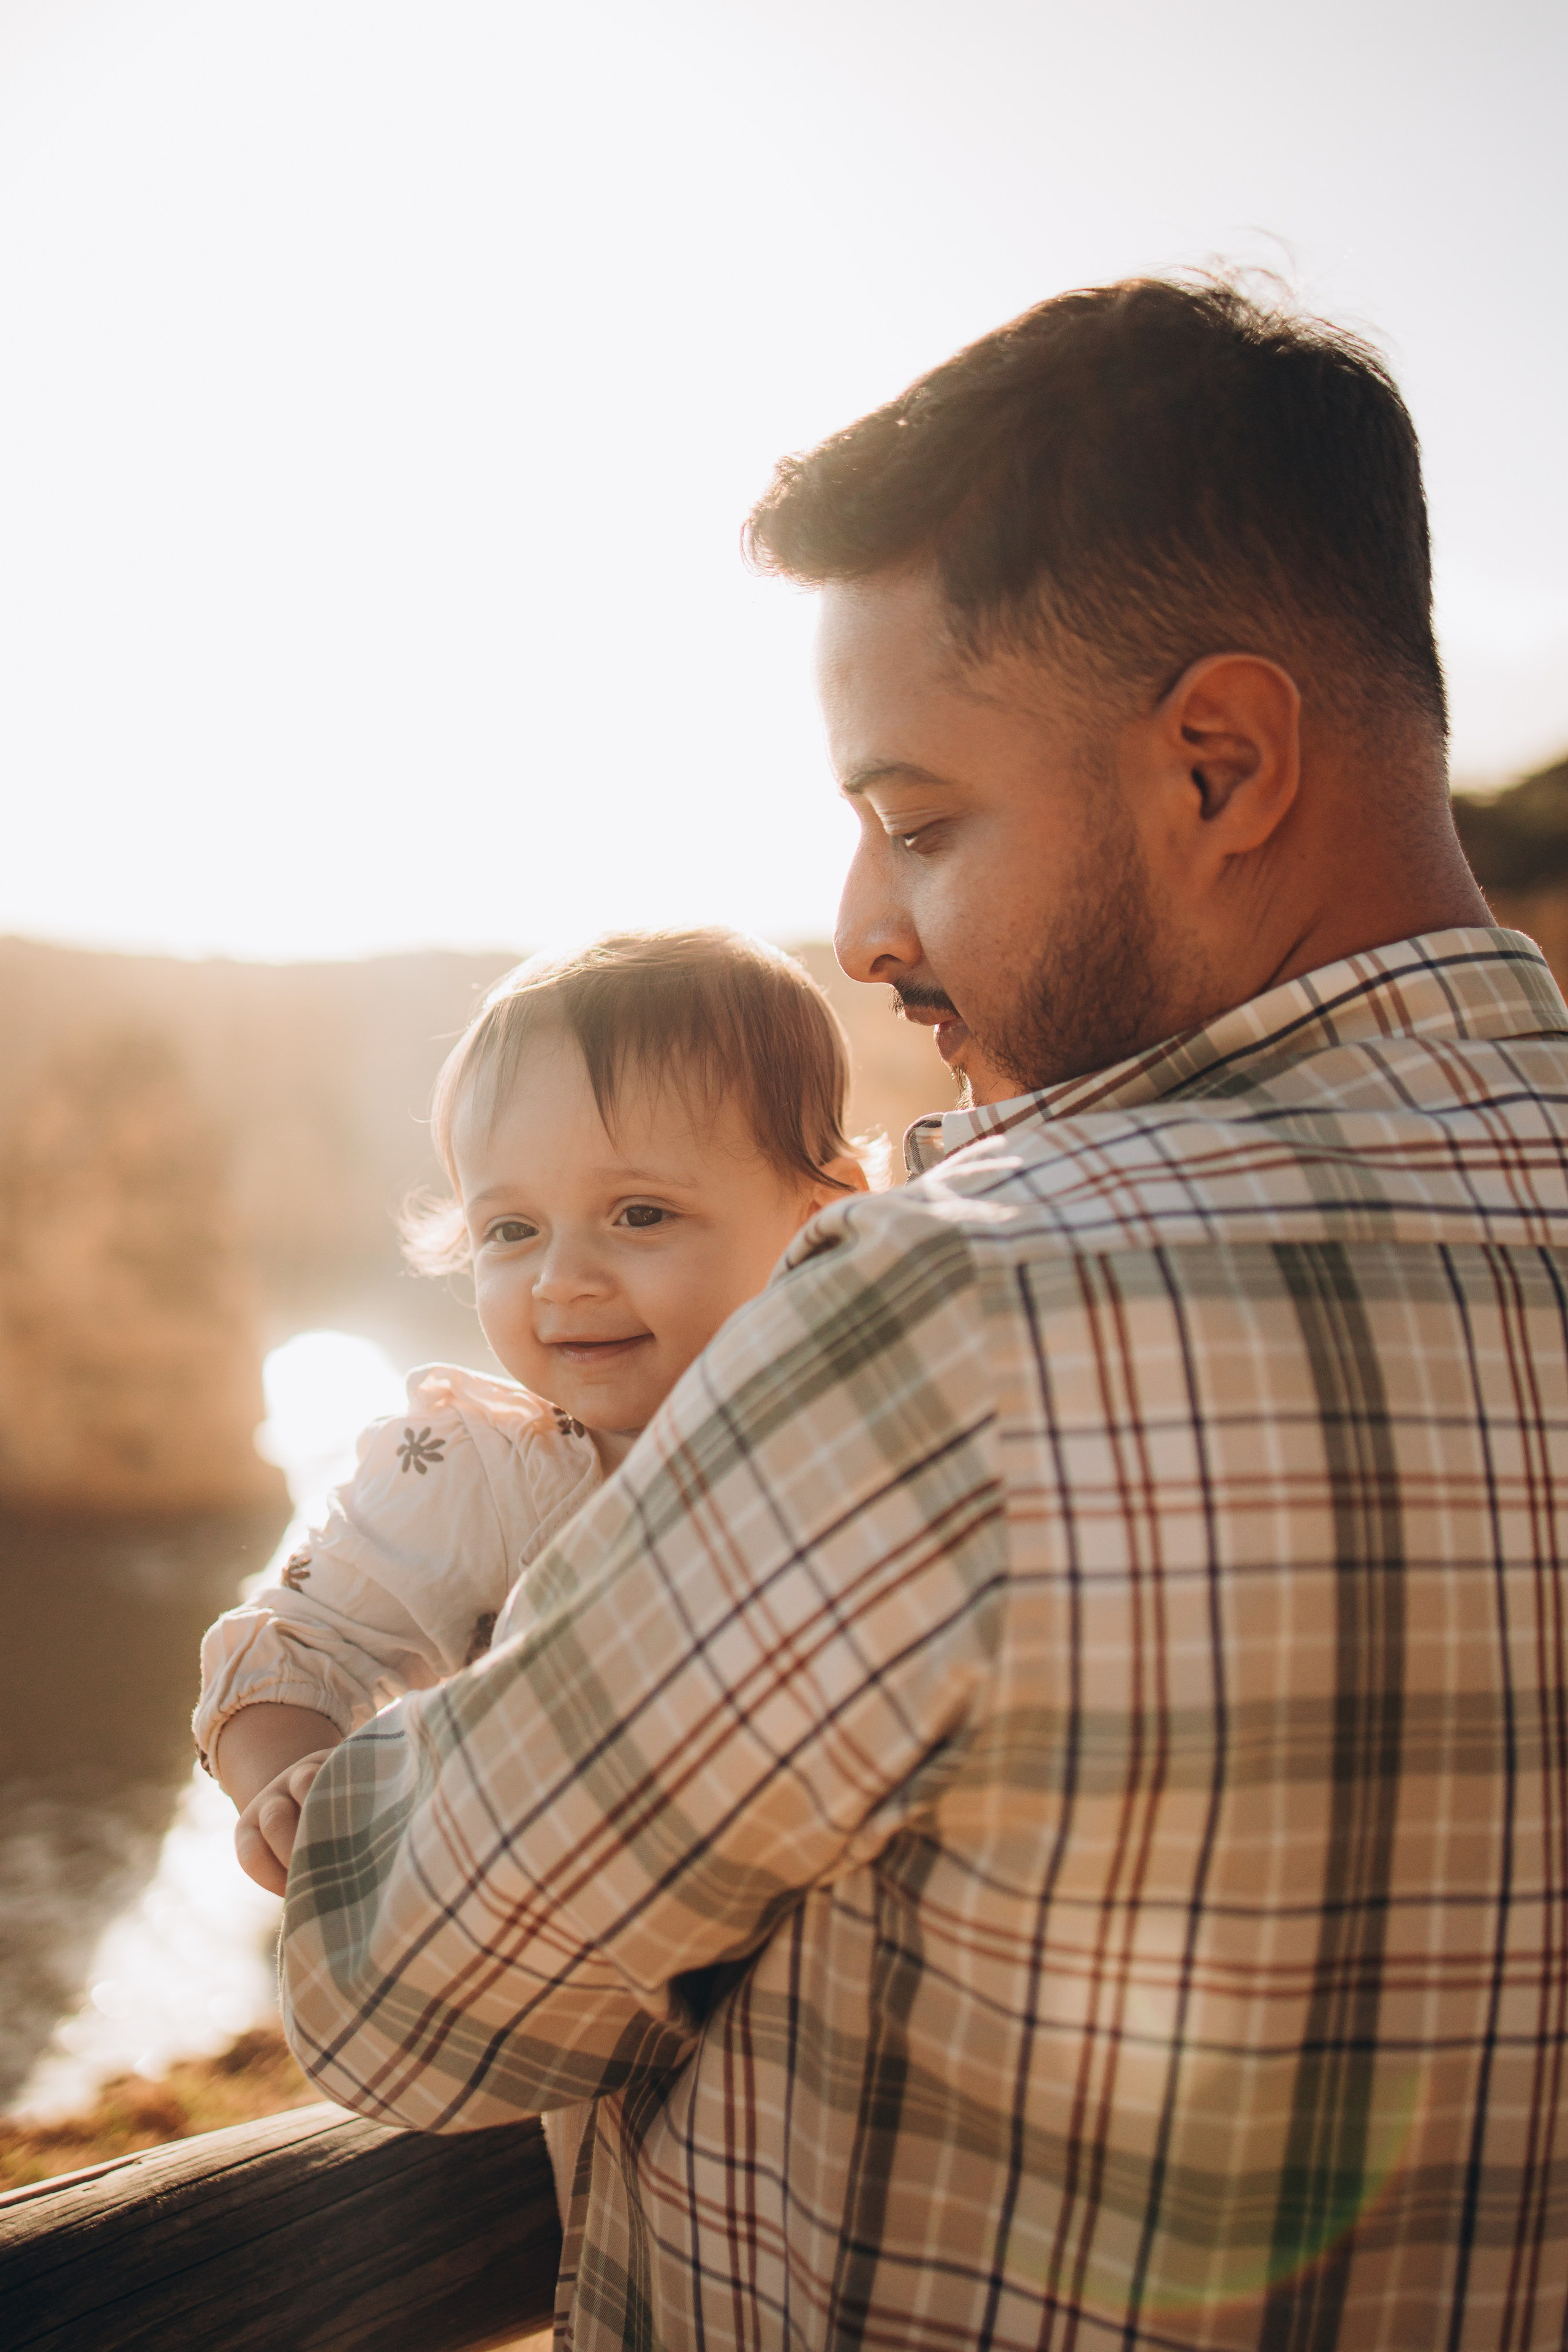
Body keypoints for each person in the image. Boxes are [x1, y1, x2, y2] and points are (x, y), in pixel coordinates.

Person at [279, 276, 1568, 2350]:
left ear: (1221, 765)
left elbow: (394, 1979)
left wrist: (357, 1665)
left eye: (920, 822)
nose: (869, 927)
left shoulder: (959, 1317)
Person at [197, 925, 865, 1888]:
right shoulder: (480, 1474)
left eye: (640, 1214)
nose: (562, 1280)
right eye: (510, 1230)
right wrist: (290, 1780)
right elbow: (289, 1648)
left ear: (818, 1217)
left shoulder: (865, 1425)